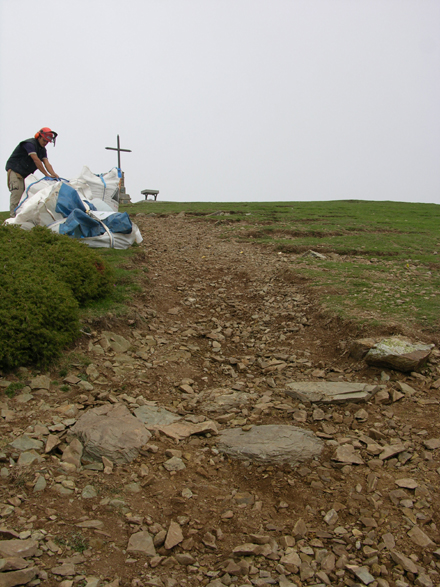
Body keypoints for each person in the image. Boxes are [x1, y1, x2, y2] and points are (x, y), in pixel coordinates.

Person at [6, 127, 59, 217]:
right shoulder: (30, 144)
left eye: (47, 142)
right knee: (17, 196)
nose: (45, 143)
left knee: (25, 199)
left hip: (25, 176)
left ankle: (21, 222)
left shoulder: (42, 150)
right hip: (16, 172)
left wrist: (54, 175)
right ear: (39, 136)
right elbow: (36, 161)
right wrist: (46, 175)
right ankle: (12, 222)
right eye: (44, 140)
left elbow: (47, 163)